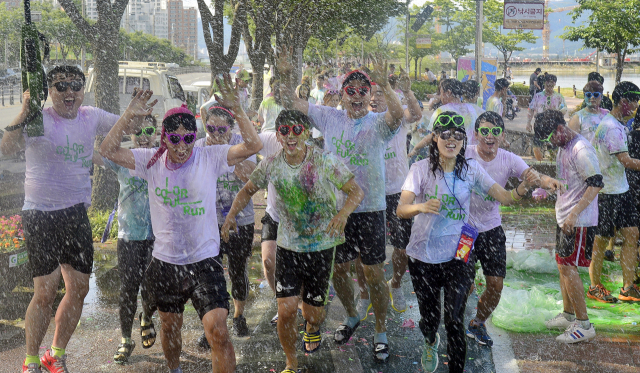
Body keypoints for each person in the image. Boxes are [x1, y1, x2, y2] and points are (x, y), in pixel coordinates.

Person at [100, 75, 262, 373]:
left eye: (189, 138)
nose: (183, 146)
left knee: (219, 332)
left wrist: (238, 109)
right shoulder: (150, 161)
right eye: (174, 139)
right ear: (164, 138)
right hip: (165, 265)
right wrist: (128, 116)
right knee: (170, 330)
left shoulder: (209, 156)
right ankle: (173, 369)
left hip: (204, 262)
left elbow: (253, 144)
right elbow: (107, 150)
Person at [0, 65, 132, 373]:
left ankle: (55, 354)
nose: (69, 91)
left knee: (80, 288)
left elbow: (129, 128)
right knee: (45, 292)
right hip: (40, 215)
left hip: (75, 213)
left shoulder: (91, 116)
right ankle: (31, 359)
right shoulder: (39, 120)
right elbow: (5, 148)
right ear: (49, 91)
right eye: (61, 86)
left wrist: (135, 111)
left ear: (83, 89)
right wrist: (24, 109)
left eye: (75, 84)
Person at [277, 51, 405, 363]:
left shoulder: (377, 123)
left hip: (371, 209)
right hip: (336, 211)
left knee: (374, 274)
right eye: (352, 91)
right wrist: (285, 77)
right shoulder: (329, 117)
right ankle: (351, 315)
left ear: (369, 95)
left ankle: (381, 331)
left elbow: (398, 115)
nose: (358, 96)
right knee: (337, 270)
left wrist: (386, 87)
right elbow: (291, 104)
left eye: (364, 91)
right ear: (343, 95)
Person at [221, 110, 364, 373]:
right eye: (284, 131)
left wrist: (343, 214)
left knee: (313, 314)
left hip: (321, 249)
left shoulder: (324, 161)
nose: (291, 136)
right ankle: (291, 362)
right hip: (288, 247)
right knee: (286, 311)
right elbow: (247, 190)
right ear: (277, 135)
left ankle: (312, 326)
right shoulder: (271, 164)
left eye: (297, 130)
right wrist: (231, 216)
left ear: (307, 133)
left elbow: (356, 191)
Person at [396, 111, 537, 373]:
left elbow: (504, 197)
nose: (452, 140)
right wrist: (421, 206)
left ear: (463, 139)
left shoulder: (471, 169)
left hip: (459, 256)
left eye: (458, 135)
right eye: (445, 135)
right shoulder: (420, 170)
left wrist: (522, 188)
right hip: (423, 257)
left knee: (454, 320)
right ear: (435, 137)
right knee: (430, 319)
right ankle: (429, 340)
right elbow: (401, 209)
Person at [465, 111, 548, 347]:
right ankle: (451, 322)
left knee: (496, 285)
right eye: (484, 131)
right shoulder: (465, 153)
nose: (489, 136)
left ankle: (478, 323)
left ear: (502, 135)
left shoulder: (508, 158)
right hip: (464, 231)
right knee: (463, 283)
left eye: (495, 131)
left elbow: (531, 175)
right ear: (476, 134)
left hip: (491, 230)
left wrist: (548, 182)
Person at [355, 71, 422, 317]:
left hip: (397, 193)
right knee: (363, 252)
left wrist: (408, 91)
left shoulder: (398, 117)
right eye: (369, 94)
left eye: (379, 93)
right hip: (368, 196)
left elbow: (415, 114)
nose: (374, 98)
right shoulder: (360, 119)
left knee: (401, 249)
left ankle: (395, 283)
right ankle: (364, 294)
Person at [533, 110, 601, 344]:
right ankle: (568, 314)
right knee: (563, 266)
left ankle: (584, 325)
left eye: (550, 138)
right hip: (565, 218)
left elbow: (595, 184)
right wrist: (548, 189)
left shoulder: (580, 149)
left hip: (579, 221)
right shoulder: (563, 147)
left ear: (560, 129)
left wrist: (573, 214)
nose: (549, 144)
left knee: (569, 267)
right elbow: (569, 182)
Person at [193, 105, 258, 348]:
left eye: (222, 129)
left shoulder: (242, 144)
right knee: (210, 275)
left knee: (238, 272)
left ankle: (239, 314)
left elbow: (251, 176)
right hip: (208, 222)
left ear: (231, 128)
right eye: (211, 128)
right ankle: (213, 323)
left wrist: (224, 155)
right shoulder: (199, 146)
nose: (216, 133)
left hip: (240, 220)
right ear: (204, 125)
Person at [97, 113, 158, 363]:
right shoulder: (122, 158)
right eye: (138, 132)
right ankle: (125, 339)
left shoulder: (163, 157)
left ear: (156, 133)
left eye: (148, 132)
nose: (143, 137)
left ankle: (146, 316)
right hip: (129, 235)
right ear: (131, 134)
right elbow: (100, 151)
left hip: (158, 236)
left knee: (154, 287)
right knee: (128, 289)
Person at [589, 82, 640, 303]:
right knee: (600, 240)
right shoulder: (611, 127)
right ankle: (594, 286)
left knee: (632, 235)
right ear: (624, 102)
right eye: (635, 101)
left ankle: (628, 287)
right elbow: (626, 161)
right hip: (606, 193)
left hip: (622, 189)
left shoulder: (619, 124)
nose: (637, 105)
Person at [409, 78, 485, 152]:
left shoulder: (441, 110)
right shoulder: (471, 109)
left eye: (441, 93)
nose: (441, 97)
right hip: (469, 153)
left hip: (450, 153)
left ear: (448, 92)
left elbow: (432, 135)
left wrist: (416, 147)